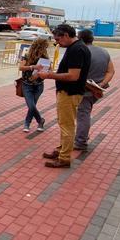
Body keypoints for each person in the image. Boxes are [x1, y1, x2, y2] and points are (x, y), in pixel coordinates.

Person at [36, 24, 90, 168]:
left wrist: (48, 75)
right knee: (64, 123)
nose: (57, 43)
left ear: (66, 35)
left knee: (67, 125)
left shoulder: (77, 49)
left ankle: (64, 157)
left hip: (70, 92)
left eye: (58, 39)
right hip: (69, 92)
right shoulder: (76, 47)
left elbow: (73, 76)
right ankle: (62, 150)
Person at [74, 30, 115, 151]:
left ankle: (81, 141)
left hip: (84, 89)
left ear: (80, 39)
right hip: (97, 89)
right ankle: (82, 136)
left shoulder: (81, 52)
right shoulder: (104, 52)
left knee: (83, 114)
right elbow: (111, 71)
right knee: (85, 112)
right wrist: (101, 84)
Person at [18, 38, 50, 132]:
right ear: (38, 47)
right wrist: (33, 67)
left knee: (33, 105)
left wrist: (44, 72)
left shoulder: (45, 58)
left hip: (39, 85)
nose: (45, 50)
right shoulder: (27, 56)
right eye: (44, 47)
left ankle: (27, 124)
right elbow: (21, 67)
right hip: (27, 85)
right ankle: (40, 120)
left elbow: (48, 70)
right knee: (31, 106)